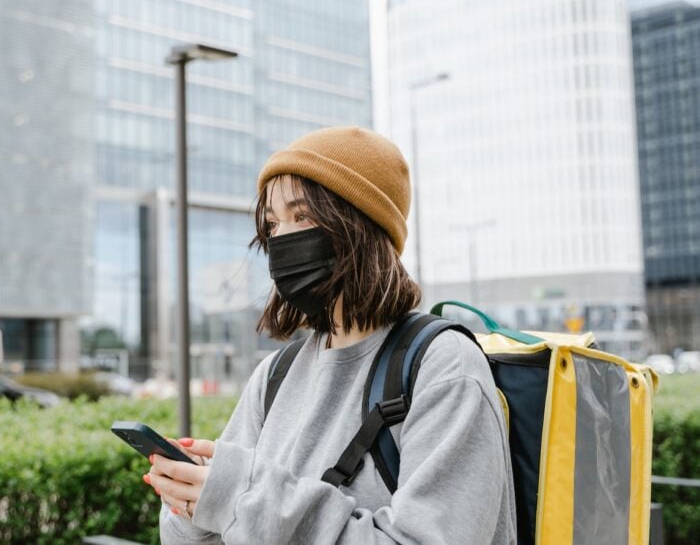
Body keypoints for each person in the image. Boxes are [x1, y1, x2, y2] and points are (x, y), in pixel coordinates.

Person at [144, 126, 516, 544]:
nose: (280, 239)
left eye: (301, 216)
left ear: (360, 225)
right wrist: (193, 504)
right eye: (272, 223)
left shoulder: (443, 365)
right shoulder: (276, 375)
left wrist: (243, 498)